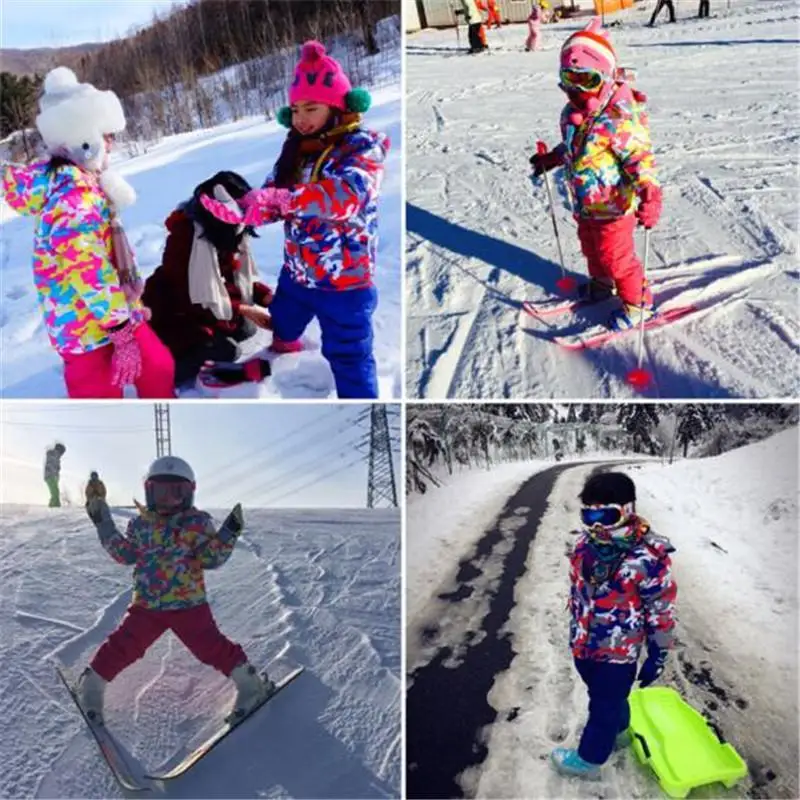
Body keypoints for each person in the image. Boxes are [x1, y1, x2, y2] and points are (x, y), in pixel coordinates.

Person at [222, 41, 389, 398]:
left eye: (311, 108)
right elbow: (272, 197)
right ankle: (281, 352)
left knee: (349, 356)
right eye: (295, 109)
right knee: (284, 321)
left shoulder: (361, 149)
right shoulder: (296, 153)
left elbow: (348, 196)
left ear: (339, 106)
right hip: (298, 275)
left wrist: (287, 199)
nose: (301, 118)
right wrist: (244, 210)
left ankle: (357, 400)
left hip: (345, 284)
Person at [0, 68, 175, 399]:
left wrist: (129, 307)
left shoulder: (85, 184)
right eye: (107, 137)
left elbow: (106, 252)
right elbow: (86, 268)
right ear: (86, 141)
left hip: (116, 311)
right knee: (98, 396)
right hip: (83, 330)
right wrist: (121, 333)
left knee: (157, 366)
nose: (110, 145)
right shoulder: (73, 199)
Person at [76, 455, 271, 722]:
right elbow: (124, 554)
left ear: (189, 493)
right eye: (161, 492)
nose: (169, 500)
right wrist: (103, 520)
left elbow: (210, 558)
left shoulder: (197, 523)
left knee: (211, 647)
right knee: (124, 645)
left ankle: (250, 685)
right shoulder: (141, 525)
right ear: (149, 492)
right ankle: (92, 685)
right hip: (147, 606)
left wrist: (228, 533)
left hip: (190, 605)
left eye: (177, 492)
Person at [530, 18, 663, 330]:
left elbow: (640, 159)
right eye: (569, 77)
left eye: (586, 79)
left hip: (614, 206)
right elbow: (576, 148)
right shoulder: (571, 114)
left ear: (604, 77)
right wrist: (554, 157)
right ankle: (602, 284)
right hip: (586, 203)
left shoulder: (618, 119)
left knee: (616, 256)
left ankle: (639, 304)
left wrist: (650, 194)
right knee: (590, 248)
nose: (576, 88)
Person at [551, 472, 677, 779]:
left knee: (603, 704)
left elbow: (661, 609)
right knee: (603, 695)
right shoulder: (584, 545)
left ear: (627, 510)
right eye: (588, 514)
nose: (596, 525)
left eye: (605, 515)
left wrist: (657, 654)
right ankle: (619, 729)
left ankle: (590, 760)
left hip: (618, 653)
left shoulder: (648, 558)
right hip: (584, 642)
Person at [143, 171, 288, 387]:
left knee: (247, 328)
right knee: (227, 351)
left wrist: (265, 297)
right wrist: (241, 308)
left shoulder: (230, 232)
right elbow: (188, 297)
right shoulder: (186, 236)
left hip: (208, 308)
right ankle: (163, 370)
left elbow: (235, 278)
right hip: (177, 314)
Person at [44, 442, 66, 507]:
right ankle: (54, 507)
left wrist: (57, 475)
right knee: (55, 492)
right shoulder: (53, 455)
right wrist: (54, 473)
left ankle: (54, 506)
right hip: (50, 476)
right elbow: (51, 465)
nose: (62, 454)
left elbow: (56, 467)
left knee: (55, 492)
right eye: (62, 452)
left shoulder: (56, 457)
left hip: (53, 476)